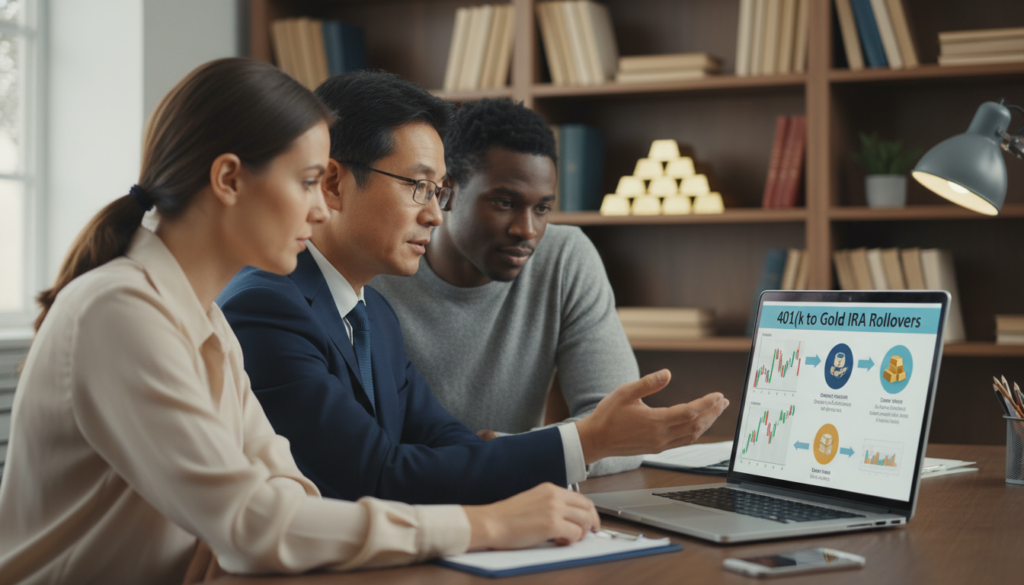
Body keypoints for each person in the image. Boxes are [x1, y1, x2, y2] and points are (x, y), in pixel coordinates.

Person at [0, 59, 602, 585]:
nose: (321, 207)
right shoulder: (119, 310)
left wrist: (257, 536)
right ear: (230, 179)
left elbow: (283, 490)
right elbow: (253, 522)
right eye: (309, 181)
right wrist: (483, 525)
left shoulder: (204, 320)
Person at [217, 70, 730, 507]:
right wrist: (583, 441)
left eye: (437, 191)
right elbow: (373, 476)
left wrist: (537, 479)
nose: (433, 213)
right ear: (332, 183)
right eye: (418, 187)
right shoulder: (266, 307)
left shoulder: (370, 310)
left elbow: (446, 440)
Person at [373, 98, 686, 477]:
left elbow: (621, 431)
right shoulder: (378, 266)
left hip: (518, 497)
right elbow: (366, 454)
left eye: (542, 209)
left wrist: (504, 451)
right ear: (447, 191)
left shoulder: (565, 256)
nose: (527, 230)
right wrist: (517, 454)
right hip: (407, 499)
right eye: (505, 203)